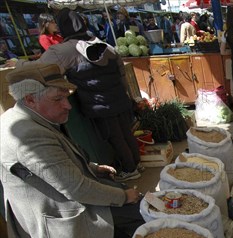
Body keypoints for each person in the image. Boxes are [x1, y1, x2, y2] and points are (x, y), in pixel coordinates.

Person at [0, 62, 143, 238]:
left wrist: (92, 167)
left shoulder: (25, 117)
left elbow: (56, 165)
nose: (67, 105)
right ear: (30, 99)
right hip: (59, 213)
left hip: (63, 195)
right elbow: (76, 189)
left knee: (125, 194)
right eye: (58, 99)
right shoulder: (28, 135)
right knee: (144, 209)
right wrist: (124, 196)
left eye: (66, 97)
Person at [11, 9, 143, 181]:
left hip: (99, 103)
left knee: (114, 136)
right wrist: (128, 96)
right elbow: (122, 74)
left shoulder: (63, 51)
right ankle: (136, 164)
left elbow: (39, 69)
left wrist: (18, 64)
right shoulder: (105, 46)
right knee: (126, 132)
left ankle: (130, 169)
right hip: (119, 98)